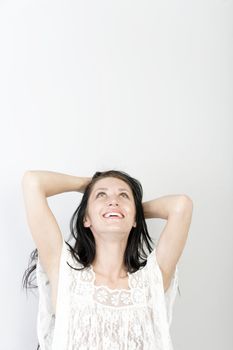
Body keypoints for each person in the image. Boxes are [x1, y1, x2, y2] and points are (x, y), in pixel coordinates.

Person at [21, 169, 193, 350]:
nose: (113, 200)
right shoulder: (65, 274)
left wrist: (130, 211)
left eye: (123, 195)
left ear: (136, 220)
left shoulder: (151, 281)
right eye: (101, 195)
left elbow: (181, 206)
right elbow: (33, 182)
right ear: (86, 218)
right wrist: (87, 185)